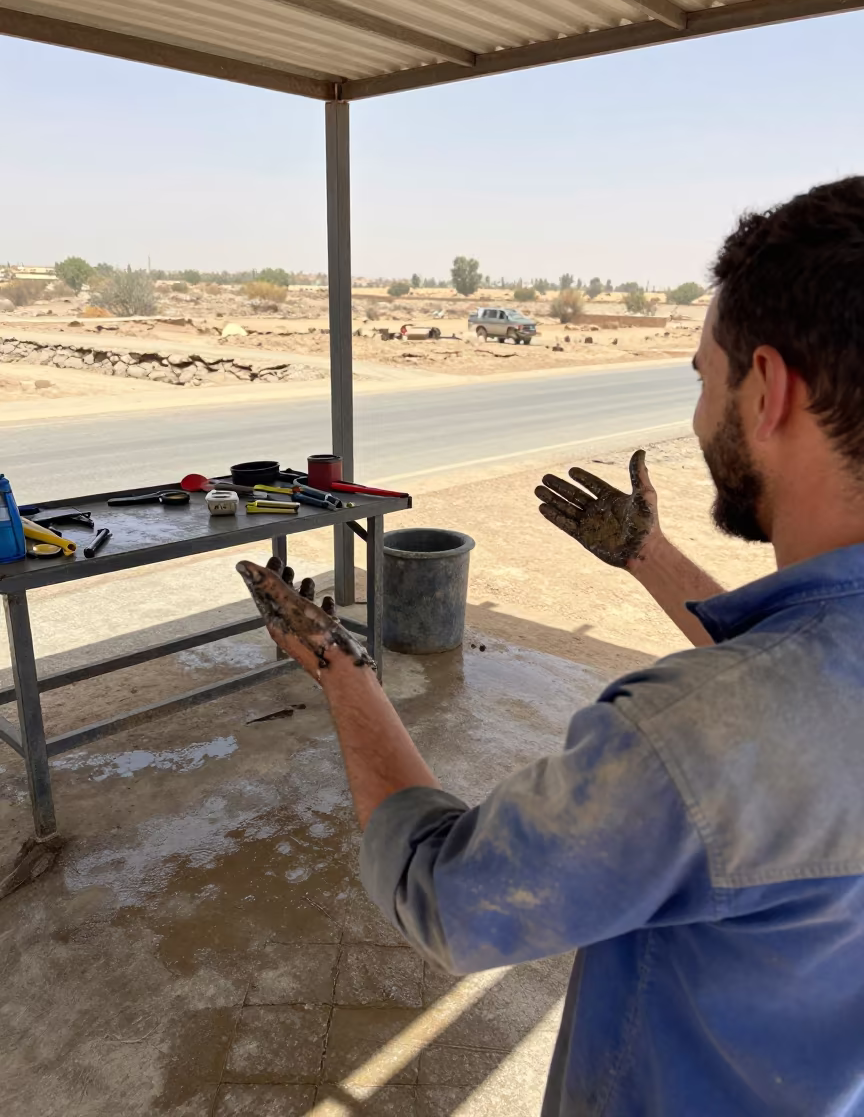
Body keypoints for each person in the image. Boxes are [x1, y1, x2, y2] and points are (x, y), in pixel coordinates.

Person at [238, 176, 864, 1116]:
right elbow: (810, 651)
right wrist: (651, 556)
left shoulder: (684, 741)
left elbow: (445, 896)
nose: (700, 415)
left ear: (768, 389)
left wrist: (339, 667)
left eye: (706, 377)